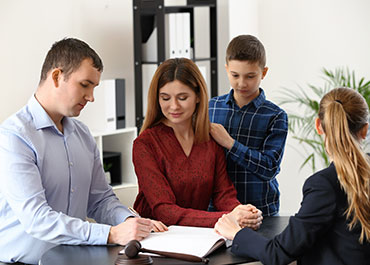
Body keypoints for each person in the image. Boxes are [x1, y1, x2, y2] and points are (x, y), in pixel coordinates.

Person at [0, 38, 166, 265]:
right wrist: (111, 234)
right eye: (85, 85)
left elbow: (100, 200)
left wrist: (131, 222)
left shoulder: (82, 134)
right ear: (57, 76)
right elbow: (37, 219)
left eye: (94, 87)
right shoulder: (14, 137)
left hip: (74, 258)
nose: (91, 97)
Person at [214, 87, 370, 265]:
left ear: (318, 125)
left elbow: (277, 254)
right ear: (365, 130)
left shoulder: (325, 185)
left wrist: (236, 233)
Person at [132, 57, 263, 228]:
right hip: (154, 238)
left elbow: (223, 194)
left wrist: (243, 213)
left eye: (182, 97)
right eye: (165, 98)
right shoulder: (145, 144)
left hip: (199, 236)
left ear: (198, 97)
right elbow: (165, 211)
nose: (174, 106)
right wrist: (228, 217)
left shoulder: (210, 139)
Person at [208, 35, 288, 216]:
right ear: (226, 69)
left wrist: (230, 143)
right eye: (235, 75)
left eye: (250, 76)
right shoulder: (211, 107)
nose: (242, 83)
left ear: (264, 72)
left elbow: (269, 168)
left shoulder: (275, 116)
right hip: (217, 211)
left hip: (260, 211)